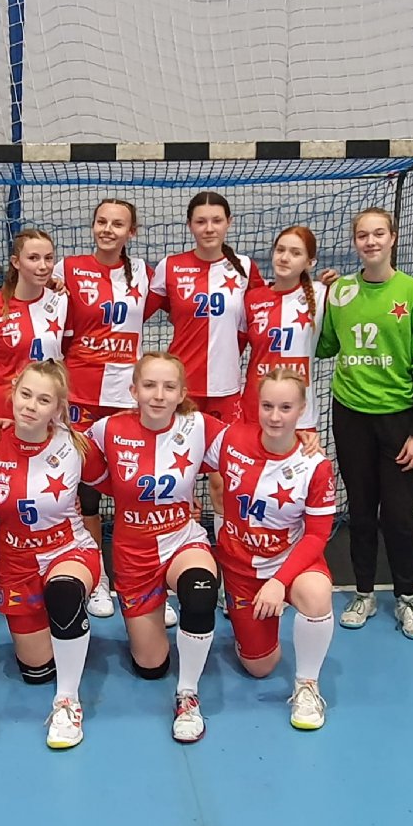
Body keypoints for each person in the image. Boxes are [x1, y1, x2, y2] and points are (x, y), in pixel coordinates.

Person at [85, 352, 224, 743]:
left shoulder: (199, 426)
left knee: (200, 592)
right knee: (151, 666)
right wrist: (6, 425)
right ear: (133, 391)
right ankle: (156, 610)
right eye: (149, 385)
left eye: (168, 387)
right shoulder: (108, 429)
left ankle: (188, 694)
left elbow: (252, 444)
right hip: (134, 553)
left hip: (183, 539)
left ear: (181, 393)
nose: (159, 395)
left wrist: (300, 438)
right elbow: (61, 444)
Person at [315, 207, 413, 640]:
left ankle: (407, 598)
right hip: (351, 416)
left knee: (400, 516)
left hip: (398, 418)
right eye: (363, 235)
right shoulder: (343, 292)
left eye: (378, 233)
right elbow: (325, 346)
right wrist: (320, 299)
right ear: (355, 242)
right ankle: (363, 593)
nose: (370, 241)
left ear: (392, 238)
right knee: (361, 511)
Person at [0, 361, 105, 749]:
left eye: (44, 400)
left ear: (58, 408)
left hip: (68, 550)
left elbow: (120, 482)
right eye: (26, 395)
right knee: (36, 671)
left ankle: (68, 701)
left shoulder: (76, 444)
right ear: (13, 393)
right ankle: (64, 630)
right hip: (17, 562)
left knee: (63, 592)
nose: (31, 405)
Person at [208, 369, 337, 729]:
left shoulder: (315, 465)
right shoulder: (231, 439)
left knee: (317, 594)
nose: (275, 416)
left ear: (302, 410)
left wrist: (280, 581)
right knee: (260, 667)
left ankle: (307, 685)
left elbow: (317, 536)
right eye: (267, 406)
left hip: (289, 564)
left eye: (285, 407)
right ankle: (253, 629)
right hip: (241, 569)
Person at [52, 199, 160, 622]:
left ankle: (146, 582)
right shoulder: (68, 269)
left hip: (125, 398)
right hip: (79, 396)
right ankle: (97, 580)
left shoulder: (145, 274)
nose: (108, 230)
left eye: (118, 224)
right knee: (86, 494)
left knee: (135, 490)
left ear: (131, 232)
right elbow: (30, 297)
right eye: (101, 222)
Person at [148, 191, 265, 555]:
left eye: (216, 220)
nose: (209, 228)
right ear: (190, 225)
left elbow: (269, 310)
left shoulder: (245, 268)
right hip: (180, 394)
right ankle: (180, 560)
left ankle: (230, 567)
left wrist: (319, 287)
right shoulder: (171, 267)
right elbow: (133, 311)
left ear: (229, 223)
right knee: (176, 481)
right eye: (201, 221)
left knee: (222, 482)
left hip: (226, 392)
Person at [0, 228, 69, 424]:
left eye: (48, 258)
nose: (43, 266)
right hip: (4, 418)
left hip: (48, 416)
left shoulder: (62, 300)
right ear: (16, 262)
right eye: (33, 258)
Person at [240, 225, 329, 434]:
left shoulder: (322, 294)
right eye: (280, 250)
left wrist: (336, 281)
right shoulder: (252, 297)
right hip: (257, 407)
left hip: (300, 416)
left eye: (295, 253)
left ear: (310, 263)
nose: (285, 258)